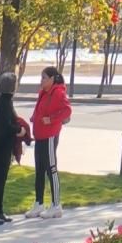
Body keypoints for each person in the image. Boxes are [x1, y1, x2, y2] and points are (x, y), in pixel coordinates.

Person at [27, 67, 72, 219]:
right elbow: (40, 109)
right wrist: (34, 117)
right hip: (39, 136)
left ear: (52, 79)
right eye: (41, 77)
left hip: (50, 136)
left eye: (44, 77)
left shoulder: (58, 92)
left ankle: (56, 205)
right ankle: (39, 203)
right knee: (39, 169)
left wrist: (51, 119)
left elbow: (67, 111)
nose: (41, 80)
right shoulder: (43, 93)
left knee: (51, 169)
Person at [0, 71, 24, 225]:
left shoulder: (4, 101)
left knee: (1, 180)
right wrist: (18, 130)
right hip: (2, 146)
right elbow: (6, 126)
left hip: (1, 146)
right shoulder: (5, 103)